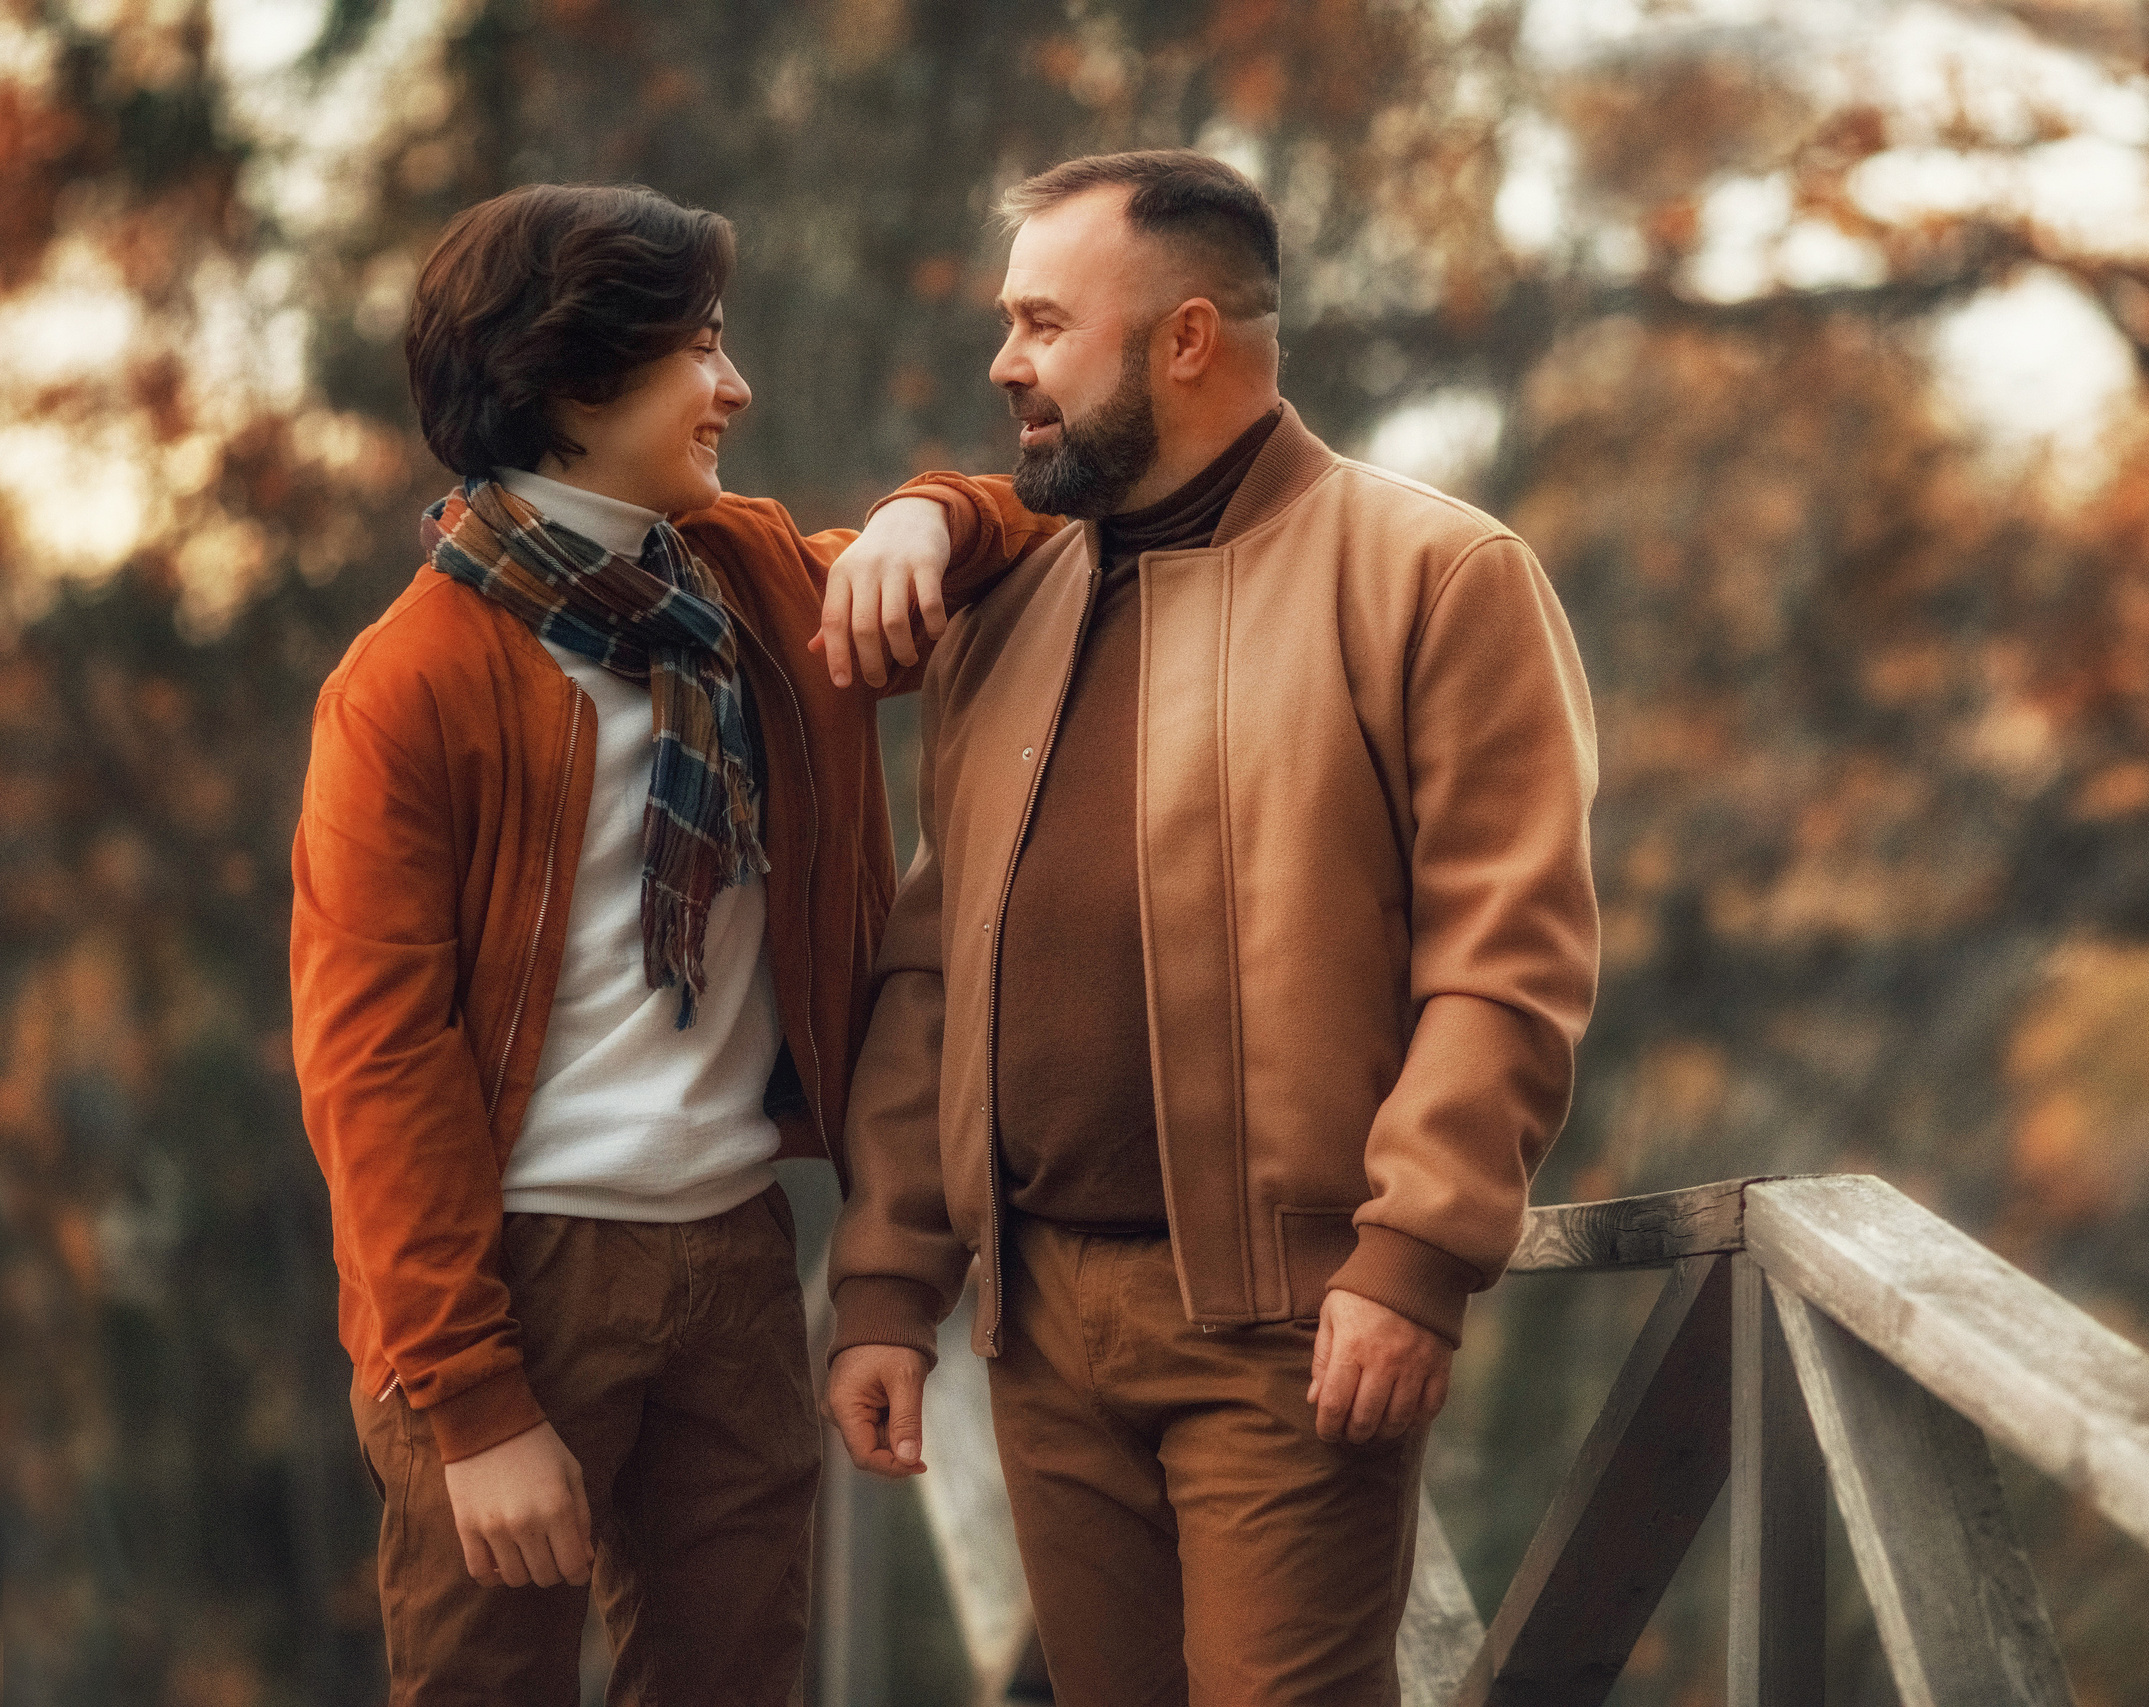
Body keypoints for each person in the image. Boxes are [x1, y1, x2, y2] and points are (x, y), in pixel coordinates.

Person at [821, 150, 1600, 1705]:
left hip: (1283, 1336)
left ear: (1185, 339)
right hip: (1035, 1334)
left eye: (1044, 323)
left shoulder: (1436, 576)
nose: (1006, 363)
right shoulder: (1008, 609)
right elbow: (934, 972)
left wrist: (1412, 1257)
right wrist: (887, 1285)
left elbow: (1505, 960)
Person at [290, 180, 1028, 1704]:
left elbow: (1023, 532)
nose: (736, 386)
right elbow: (373, 1065)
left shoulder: (745, 584)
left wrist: (923, 513)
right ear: (573, 380)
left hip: (735, 1252)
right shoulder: (410, 684)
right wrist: (476, 1405)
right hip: (508, 1280)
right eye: (699, 347)